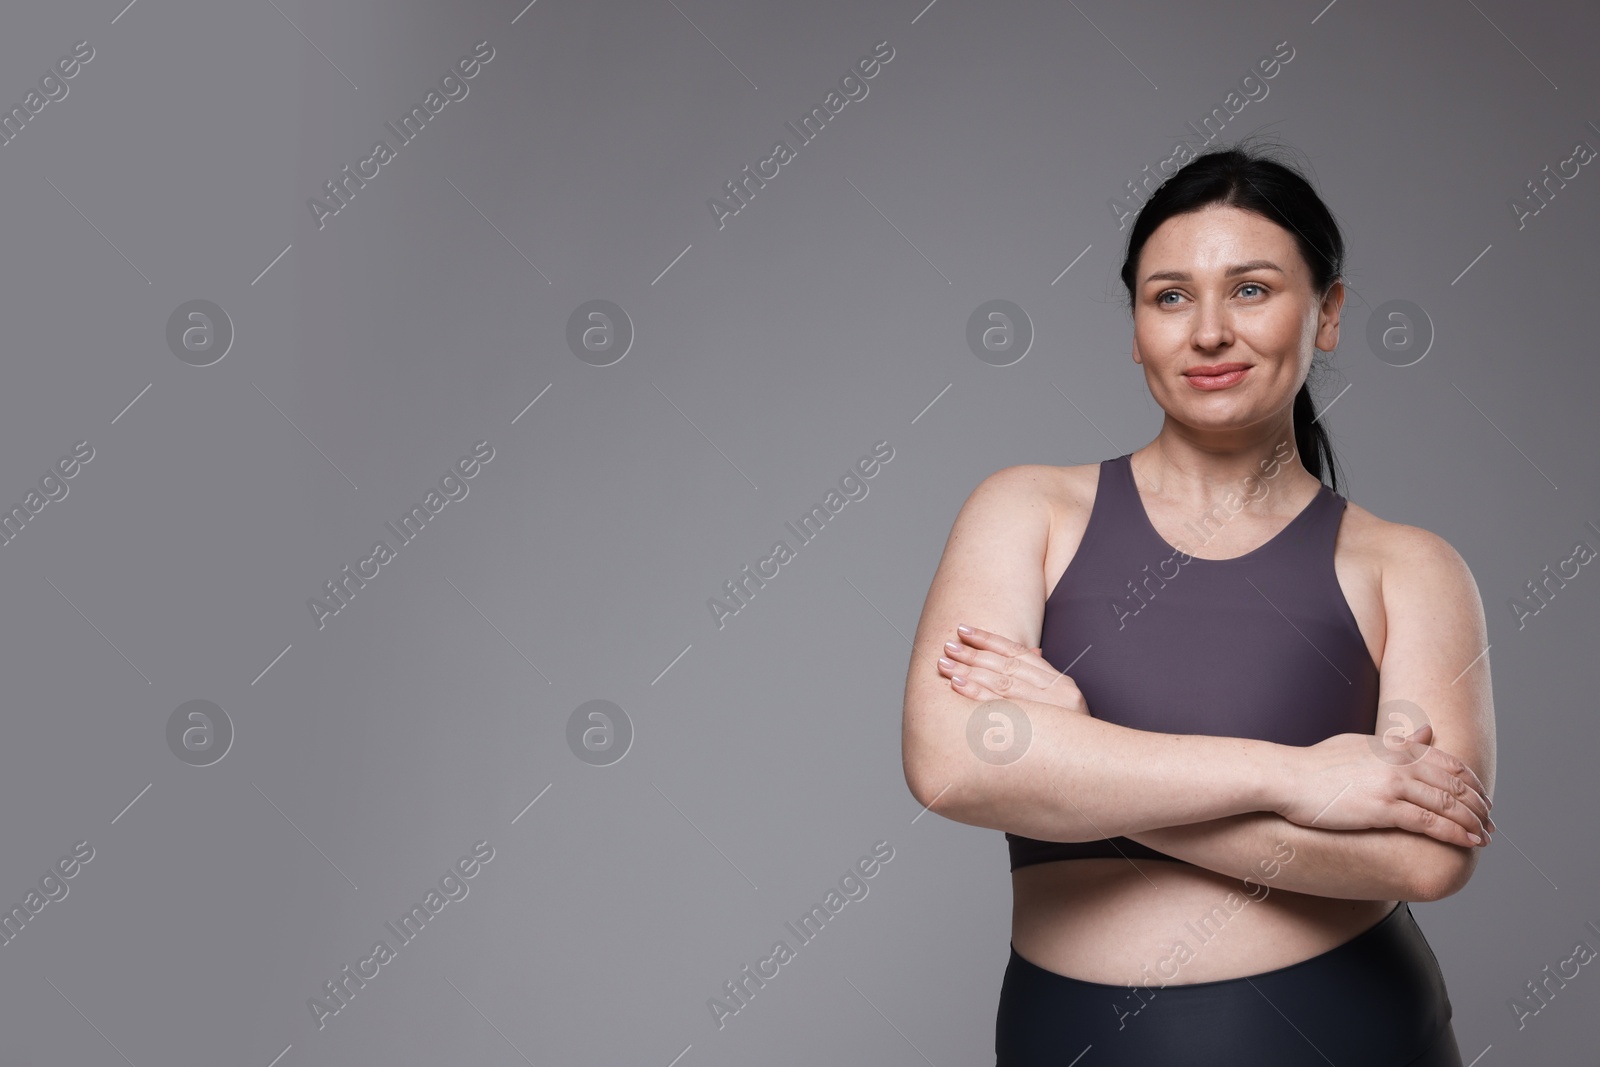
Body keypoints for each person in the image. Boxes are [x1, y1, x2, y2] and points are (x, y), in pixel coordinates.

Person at [900, 141, 1495, 1066]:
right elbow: (951, 764)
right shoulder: (1027, 510)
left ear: (1327, 312)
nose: (1208, 331)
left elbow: (1425, 857)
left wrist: (1081, 756)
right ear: (1136, 328)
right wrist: (1296, 777)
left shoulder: (1410, 567)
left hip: (1350, 1032)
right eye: (1170, 296)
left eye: (1252, 289)